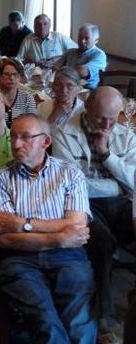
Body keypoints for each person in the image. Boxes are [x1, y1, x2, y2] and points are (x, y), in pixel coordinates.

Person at [0, 114, 96, 343]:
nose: (17, 144)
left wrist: (22, 224)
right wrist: (59, 238)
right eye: (14, 137)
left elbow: (77, 225)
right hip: (20, 259)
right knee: (43, 317)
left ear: (45, 141)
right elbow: (6, 239)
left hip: (68, 256)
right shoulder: (1, 178)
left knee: (77, 318)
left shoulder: (70, 173)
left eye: (26, 137)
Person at [51, 86, 136, 336]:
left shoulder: (126, 136)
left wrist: (106, 154)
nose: (108, 124)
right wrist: (115, 184)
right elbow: (71, 185)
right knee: (101, 241)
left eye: (113, 117)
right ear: (86, 108)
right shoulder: (64, 134)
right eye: (101, 117)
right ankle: (105, 315)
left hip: (122, 204)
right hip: (83, 204)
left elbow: (134, 181)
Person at [59, 23, 107, 89]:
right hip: (67, 87)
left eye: (87, 38)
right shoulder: (70, 52)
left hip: (87, 91)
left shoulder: (99, 55)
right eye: (80, 37)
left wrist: (62, 71)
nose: (82, 41)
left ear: (96, 41)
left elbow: (82, 71)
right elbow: (55, 66)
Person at [37, 66, 85, 130]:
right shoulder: (42, 107)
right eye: (59, 85)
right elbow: (36, 135)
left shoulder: (85, 112)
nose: (64, 90)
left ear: (78, 89)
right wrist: (54, 116)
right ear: (53, 87)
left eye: (70, 86)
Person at [0, 57, 37, 127]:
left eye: (15, 74)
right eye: (6, 74)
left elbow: (31, 125)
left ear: (20, 77)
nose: (11, 78)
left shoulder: (27, 99)